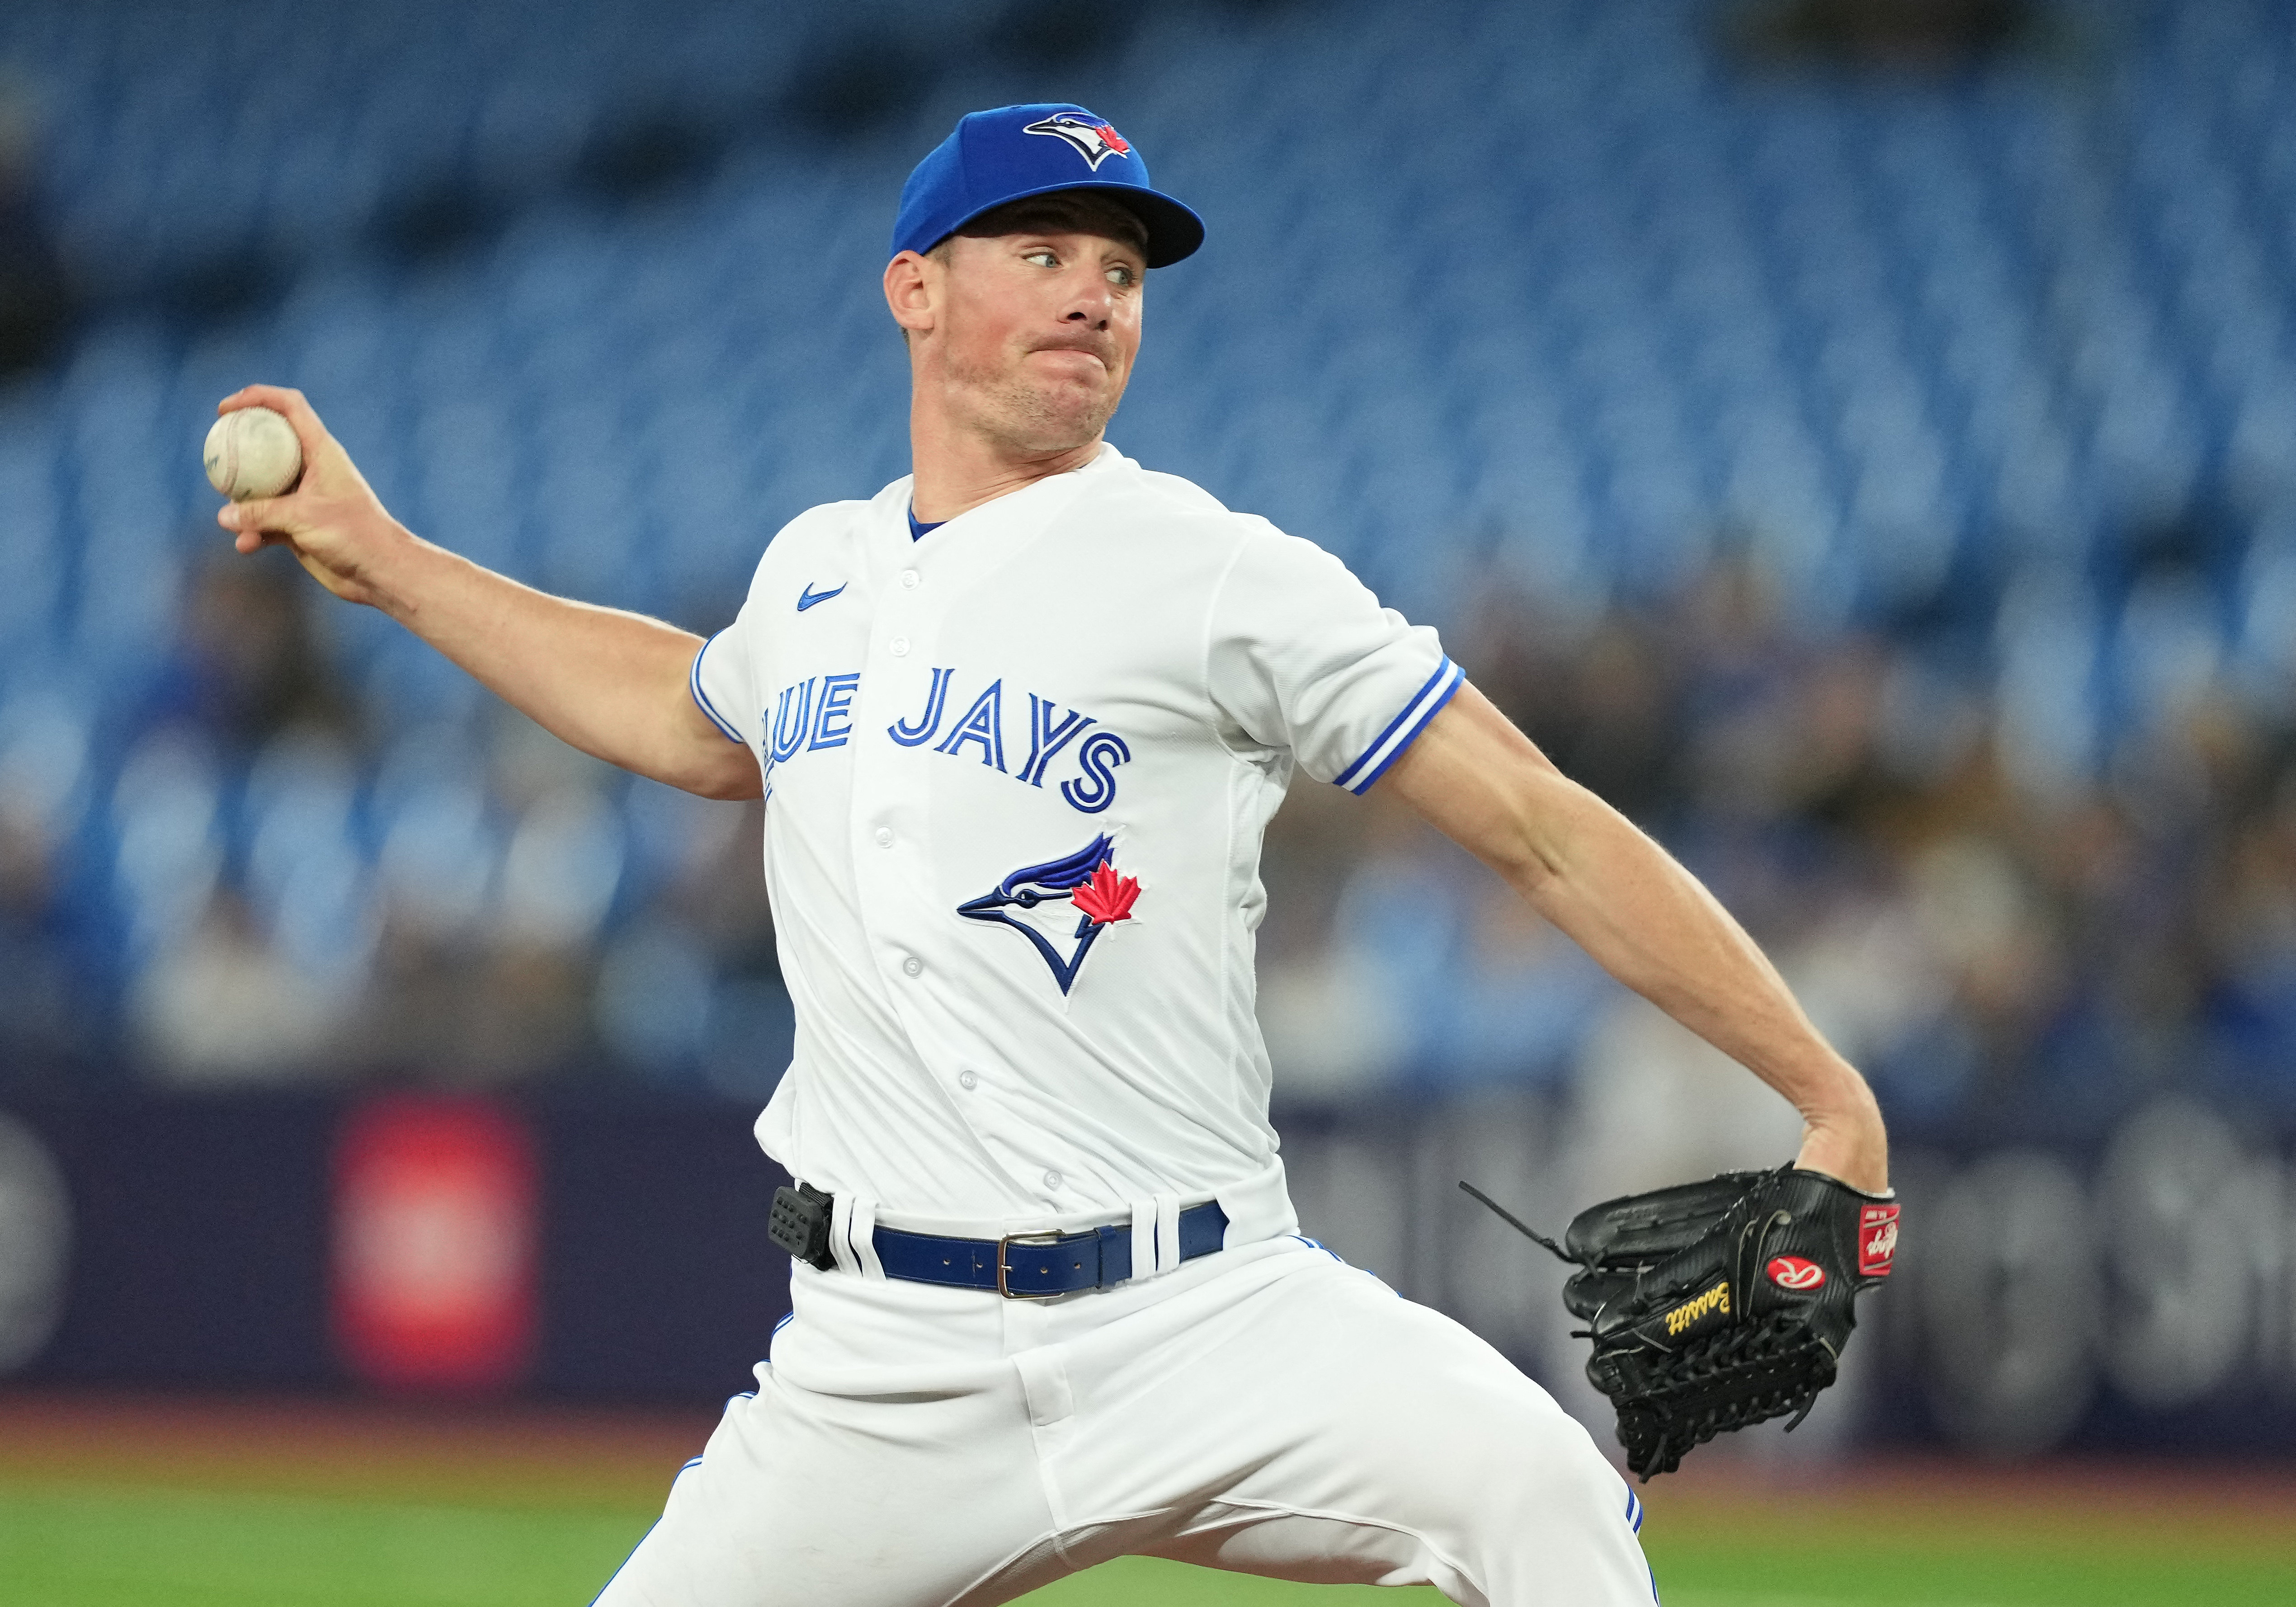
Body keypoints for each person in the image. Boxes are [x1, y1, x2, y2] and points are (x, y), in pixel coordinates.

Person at [216, 103, 1887, 1607]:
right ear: (914, 291)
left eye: (1121, 268)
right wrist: (391, 560)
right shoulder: (820, 574)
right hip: (881, 1369)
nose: (1096, 291)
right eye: (1043, 251)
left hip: (1208, 1312)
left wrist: (1824, 1085)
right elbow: (684, 711)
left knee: (1547, 1507)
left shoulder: (1216, 571)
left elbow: (1533, 820)